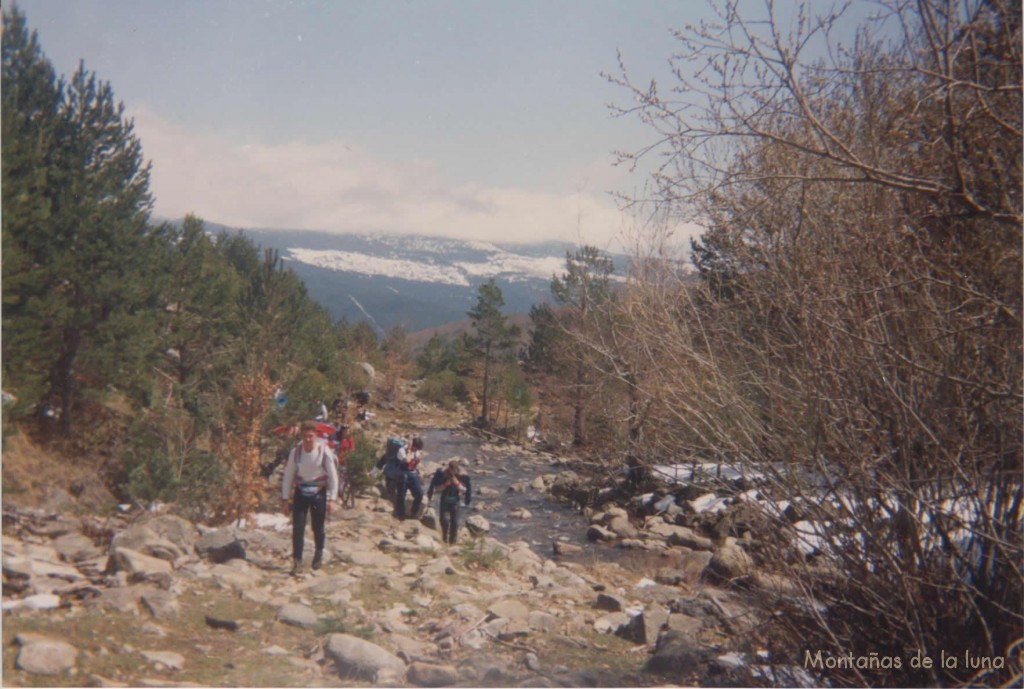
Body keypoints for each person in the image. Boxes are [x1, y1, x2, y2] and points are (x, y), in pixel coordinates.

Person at [281, 420, 339, 575]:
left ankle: (319, 552)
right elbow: (288, 476)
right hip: (301, 491)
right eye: (305, 436)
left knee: (317, 526)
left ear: (315, 436)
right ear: (302, 435)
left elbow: (333, 476)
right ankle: (297, 561)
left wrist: (332, 499)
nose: (308, 439)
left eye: (311, 436)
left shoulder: (323, 451)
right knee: (298, 528)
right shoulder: (296, 452)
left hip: (318, 492)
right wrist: (285, 499)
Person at [427, 460, 472, 545]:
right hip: (445, 500)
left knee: (455, 522)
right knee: (444, 520)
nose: (453, 473)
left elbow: (464, 490)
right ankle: (444, 537)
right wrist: (445, 485)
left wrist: (457, 484)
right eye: (452, 471)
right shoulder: (443, 475)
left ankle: (452, 541)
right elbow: (436, 489)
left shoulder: (460, 476)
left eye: (455, 471)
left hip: (456, 501)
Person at [395, 436, 425, 520]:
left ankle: (414, 513)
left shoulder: (417, 451)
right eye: (416, 449)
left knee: (419, 494)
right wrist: (409, 449)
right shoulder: (401, 451)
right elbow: (407, 460)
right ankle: (400, 514)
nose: (417, 451)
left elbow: (415, 461)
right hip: (402, 475)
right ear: (413, 446)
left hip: (412, 475)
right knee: (401, 495)